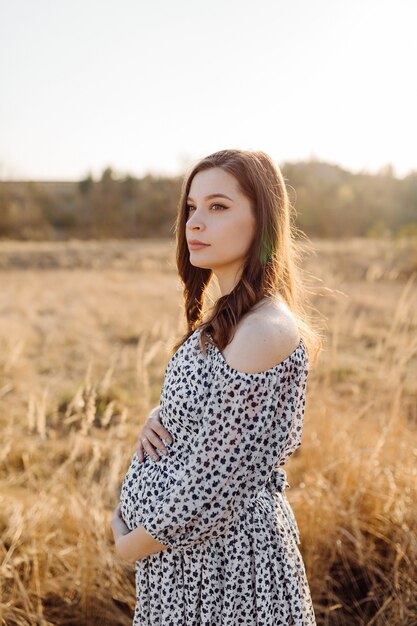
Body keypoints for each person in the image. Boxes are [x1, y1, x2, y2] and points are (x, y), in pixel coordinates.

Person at [111, 148, 321, 625]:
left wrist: (128, 543)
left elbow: (212, 488)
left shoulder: (263, 329)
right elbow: (216, 421)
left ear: (262, 221)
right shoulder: (231, 318)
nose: (195, 224)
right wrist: (162, 416)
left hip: (228, 571)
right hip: (190, 563)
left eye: (218, 206)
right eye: (191, 208)